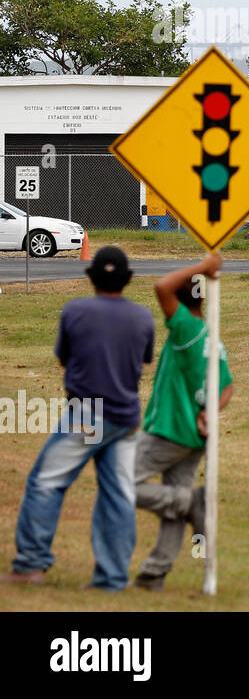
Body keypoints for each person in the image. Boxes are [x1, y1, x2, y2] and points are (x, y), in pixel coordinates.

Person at [5, 247, 154, 590]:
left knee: (47, 482)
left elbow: (63, 358)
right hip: (127, 417)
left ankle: (30, 564)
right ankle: (112, 576)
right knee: (118, 494)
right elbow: (143, 361)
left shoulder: (75, 310)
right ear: (126, 280)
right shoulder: (143, 317)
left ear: (93, 278)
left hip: (90, 415)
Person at [133, 253, 233, 592]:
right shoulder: (212, 337)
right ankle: (154, 572)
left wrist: (203, 267)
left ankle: (192, 503)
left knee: (121, 485)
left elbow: (161, 286)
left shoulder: (185, 328)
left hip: (170, 429)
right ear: (203, 297)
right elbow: (228, 385)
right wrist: (211, 412)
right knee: (171, 500)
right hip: (197, 434)